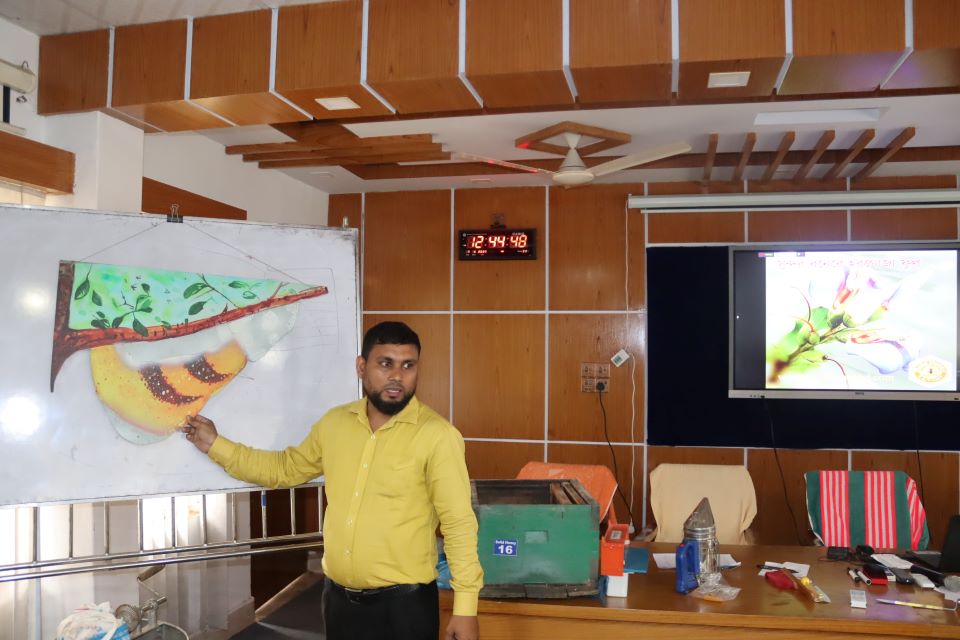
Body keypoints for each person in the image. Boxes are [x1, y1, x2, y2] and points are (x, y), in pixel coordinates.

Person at [181, 321, 482, 640]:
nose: (397, 376)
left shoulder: (438, 436)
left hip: (404, 608)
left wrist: (466, 608)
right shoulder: (335, 424)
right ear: (361, 367)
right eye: (385, 363)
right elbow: (284, 468)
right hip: (339, 604)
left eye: (408, 365)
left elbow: (458, 523)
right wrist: (216, 445)